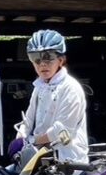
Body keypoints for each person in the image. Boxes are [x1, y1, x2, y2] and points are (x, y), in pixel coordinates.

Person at [7, 29, 89, 165]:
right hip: (40, 159)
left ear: (61, 60)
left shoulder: (70, 88)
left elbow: (61, 133)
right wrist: (20, 137)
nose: (42, 64)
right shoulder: (39, 86)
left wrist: (30, 141)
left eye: (48, 57)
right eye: (36, 58)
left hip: (68, 163)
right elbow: (28, 120)